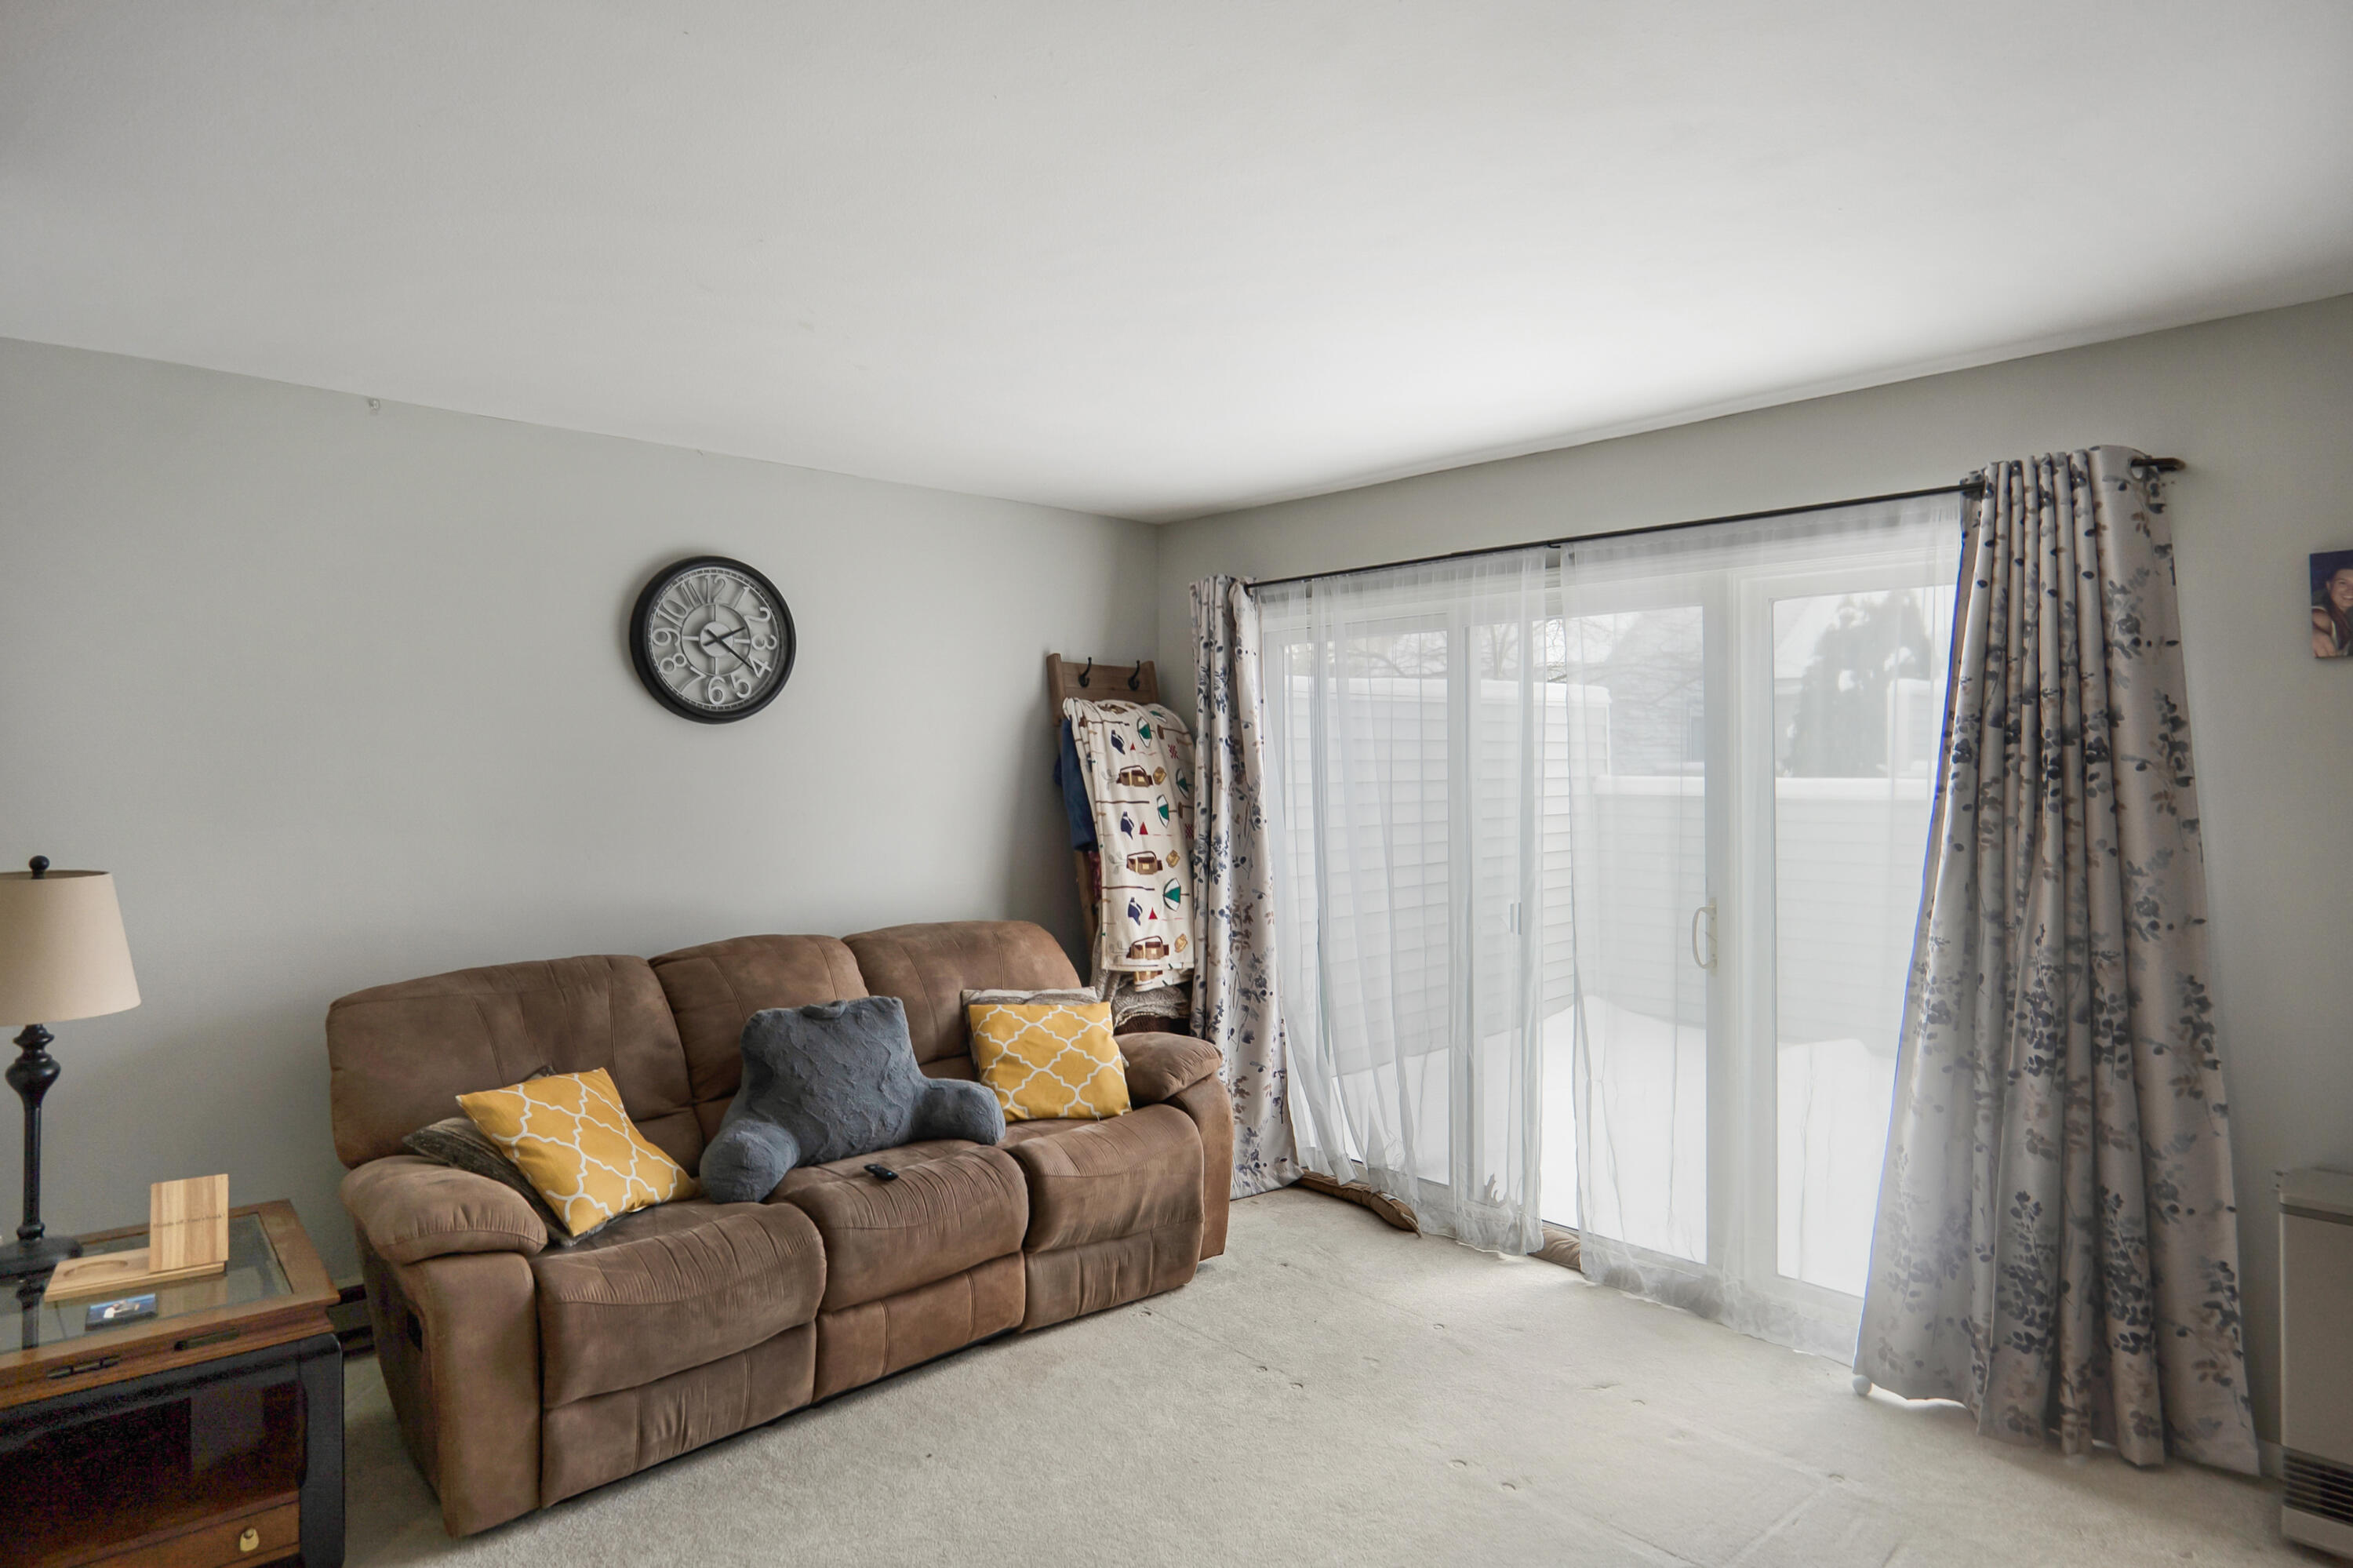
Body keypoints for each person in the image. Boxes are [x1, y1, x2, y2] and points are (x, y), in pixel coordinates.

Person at [2313, 562, 2353, 658]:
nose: (2350, 590)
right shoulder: (2321, 617)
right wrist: (2313, 631)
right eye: (2343, 583)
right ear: (2329, 586)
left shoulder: (2345, 615)